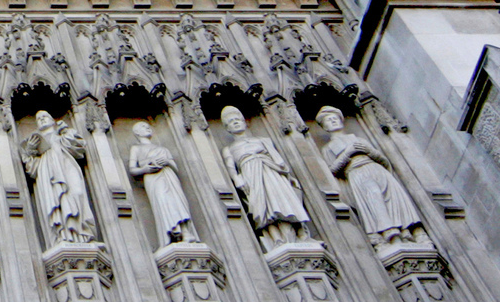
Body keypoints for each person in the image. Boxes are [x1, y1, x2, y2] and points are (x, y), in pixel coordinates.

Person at [316, 105, 426, 246]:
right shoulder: (328, 148)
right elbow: (333, 170)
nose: (333, 121)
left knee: (395, 199)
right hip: (357, 174)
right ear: (324, 127)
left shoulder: (359, 139)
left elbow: (383, 160)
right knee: (374, 197)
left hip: (376, 170)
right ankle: (390, 234)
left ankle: (408, 231)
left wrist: (369, 151)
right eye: (329, 120)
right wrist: (347, 154)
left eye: (335, 118)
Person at [220, 106, 312, 248]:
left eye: (238, 120)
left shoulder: (263, 140)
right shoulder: (230, 148)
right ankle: (276, 239)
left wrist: (287, 175)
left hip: (271, 172)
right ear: (228, 129)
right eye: (231, 122)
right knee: (262, 207)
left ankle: (300, 234)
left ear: (245, 123)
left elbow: (278, 160)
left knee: (283, 200)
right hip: (250, 176)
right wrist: (237, 178)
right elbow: (231, 166)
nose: (236, 123)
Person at [20, 110, 97, 245]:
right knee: (55, 201)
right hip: (47, 174)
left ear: (53, 121)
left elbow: (79, 148)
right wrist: (31, 150)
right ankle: (63, 235)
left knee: (77, 193)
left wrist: (65, 131)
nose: (42, 120)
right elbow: (32, 168)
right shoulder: (39, 147)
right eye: (38, 119)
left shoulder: (62, 136)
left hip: (66, 167)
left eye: (45, 117)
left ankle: (82, 233)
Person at [127, 121, 199, 248]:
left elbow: (175, 168)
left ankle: (186, 232)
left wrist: (167, 162)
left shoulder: (162, 149)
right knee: (163, 202)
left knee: (177, 202)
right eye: (143, 127)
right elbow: (133, 169)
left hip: (168, 175)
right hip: (153, 178)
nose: (147, 127)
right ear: (137, 132)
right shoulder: (136, 148)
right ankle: (172, 234)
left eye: (148, 126)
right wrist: (146, 169)